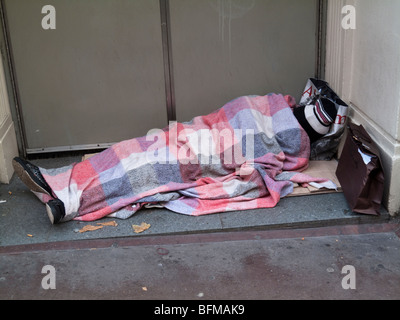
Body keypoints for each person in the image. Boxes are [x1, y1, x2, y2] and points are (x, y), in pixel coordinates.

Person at [13, 93, 337, 225]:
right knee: (128, 150)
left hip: (200, 158)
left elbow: (257, 167)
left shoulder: (288, 146)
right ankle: (55, 179)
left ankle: (69, 203)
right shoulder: (268, 102)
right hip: (190, 135)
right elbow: (225, 114)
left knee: (140, 173)